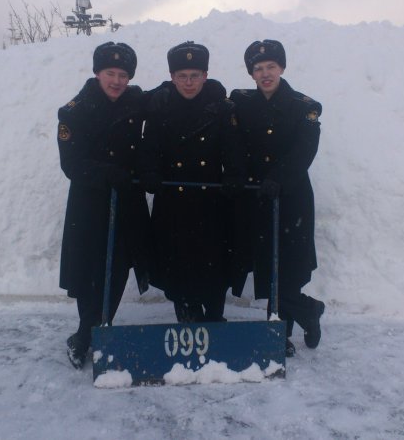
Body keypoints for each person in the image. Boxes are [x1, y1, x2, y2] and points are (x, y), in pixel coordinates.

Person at [56, 42, 151, 369]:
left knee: (120, 265)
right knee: (89, 271)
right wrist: (105, 172)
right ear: (97, 73)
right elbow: (71, 164)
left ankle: (101, 325)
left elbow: (165, 101)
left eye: (123, 75)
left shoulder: (135, 101)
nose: (116, 81)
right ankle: (85, 332)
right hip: (90, 202)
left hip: (127, 201)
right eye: (110, 73)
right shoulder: (74, 111)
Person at [230, 39, 325, 357]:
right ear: (252, 74)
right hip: (257, 197)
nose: (265, 73)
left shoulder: (305, 107)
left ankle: (297, 316)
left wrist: (277, 179)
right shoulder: (241, 103)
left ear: (281, 68)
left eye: (271, 66)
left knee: (287, 267)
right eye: (258, 69)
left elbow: (304, 151)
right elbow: (236, 143)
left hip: (292, 196)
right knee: (267, 265)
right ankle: (286, 325)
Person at [139, 41, 245, 323]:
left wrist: (234, 175)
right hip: (173, 200)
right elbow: (149, 147)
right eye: (182, 76)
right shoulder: (160, 107)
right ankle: (187, 313)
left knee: (214, 263)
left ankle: (214, 315)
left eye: (195, 75)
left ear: (205, 76)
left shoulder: (221, 109)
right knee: (177, 263)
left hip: (211, 199)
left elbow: (232, 148)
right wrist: (150, 172)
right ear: (172, 77)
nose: (188, 82)